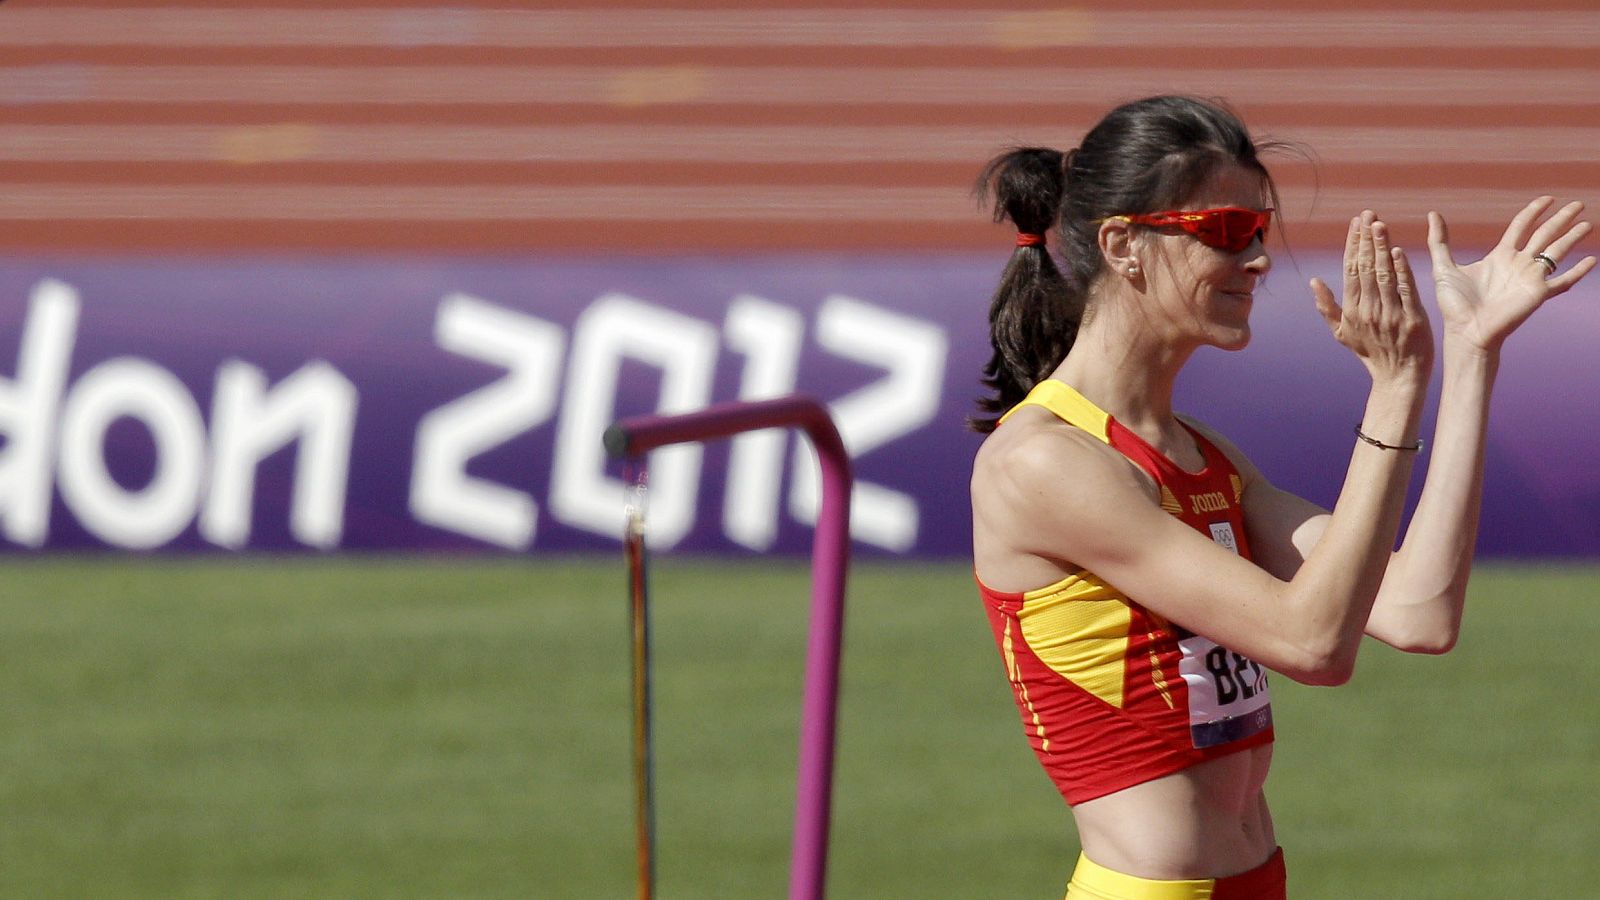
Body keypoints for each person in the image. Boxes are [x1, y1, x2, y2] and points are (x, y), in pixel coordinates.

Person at [968, 95, 1594, 899]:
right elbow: (1312, 645)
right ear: (1123, 244)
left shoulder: (1201, 453)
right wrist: (1394, 390)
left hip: (1258, 880)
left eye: (1259, 230)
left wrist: (1470, 357)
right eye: (1228, 231)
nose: (1260, 258)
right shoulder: (1047, 462)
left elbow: (1418, 611)